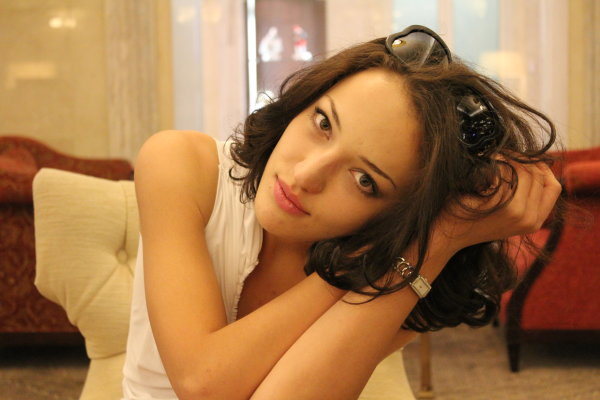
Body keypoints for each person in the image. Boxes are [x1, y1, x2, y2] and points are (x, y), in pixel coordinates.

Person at [122, 25, 562, 400]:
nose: (305, 176)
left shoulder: (412, 271)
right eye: (323, 124)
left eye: (364, 180)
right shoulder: (180, 163)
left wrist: (441, 239)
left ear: (398, 214)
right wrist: (359, 273)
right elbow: (202, 383)